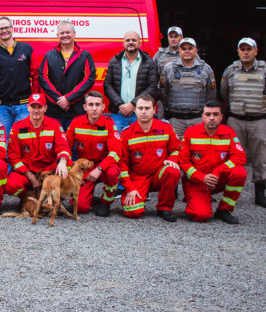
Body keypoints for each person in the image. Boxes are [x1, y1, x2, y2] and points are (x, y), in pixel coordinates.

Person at [220, 37, 266, 208]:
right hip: (235, 121)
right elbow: (224, 93)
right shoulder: (230, 70)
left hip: (258, 120)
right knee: (231, 157)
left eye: (249, 49)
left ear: (256, 51)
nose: (245, 52)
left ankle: (259, 195)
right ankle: (228, 193)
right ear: (238, 51)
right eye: (242, 49)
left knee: (260, 158)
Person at [178, 101, 247, 224]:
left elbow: (240, 156)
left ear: (221, 117)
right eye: (208, 114)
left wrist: (218, 172)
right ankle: (197, 200)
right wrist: (202, 177)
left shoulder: (228, 132)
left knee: (240, 173)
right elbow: (183, 161)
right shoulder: (191, 132)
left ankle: (224, 209)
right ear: (202, 116)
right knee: (202, 216)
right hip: (196, 181)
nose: (211, 118)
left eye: (215, 114)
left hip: (218, 179)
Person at [118, 94, 180, 222]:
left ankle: (165, 208)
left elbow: (176, 149)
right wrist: (129, 188)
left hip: (158, 175)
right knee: (132, 212)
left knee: (172, 171)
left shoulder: (166, 128)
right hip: (137, 177)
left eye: (147, 108)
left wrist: (172, 160)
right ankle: (140, 196)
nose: (144, 111)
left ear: (154, 109)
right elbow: (122, 164)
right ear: (135, 110)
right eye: (140, 108)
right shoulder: (126, 133)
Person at [65, 90, 122, 216]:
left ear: (103, 107)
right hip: (84, 168)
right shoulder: (76, 122)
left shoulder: (109, 123)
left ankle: (105, 202)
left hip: (104, 167)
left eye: (97, 105)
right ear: (85, 107)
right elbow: (65, 146)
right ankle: (90, 200)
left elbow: (116, 152)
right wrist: (69, 165)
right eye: (91, 105)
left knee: (113, 172)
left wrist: (100, 168)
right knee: (80, 207)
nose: (94, 108)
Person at [4, 93, 71, 199]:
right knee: (11, 186)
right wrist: (31, 177)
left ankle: (56, 197)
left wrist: (62, 161)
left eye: (39, 107)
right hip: (27, 171)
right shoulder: (17, 127)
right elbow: (13, 157)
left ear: (45, 108)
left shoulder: (54, 124)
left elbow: (63, 146)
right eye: (33, 107)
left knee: (68, 166)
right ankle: (31, 197)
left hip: (48, 170)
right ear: (28, 107)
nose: (36, 110)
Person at [38, 20, 96, 130]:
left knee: (75, 145)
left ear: (74, 34)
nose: (65, 35)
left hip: (76, 110)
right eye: (62, 33)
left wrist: (69, 99)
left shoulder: (85, 55)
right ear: (57, 36)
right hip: (54, 111)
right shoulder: (49, 55)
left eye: (68, 32)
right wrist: (60, 100)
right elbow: (43, 78)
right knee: (55, 144)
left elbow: (89, 79)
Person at [158, 37, 217, 139]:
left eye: (190, 48)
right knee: (176, 151)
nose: (187, 51)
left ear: (195, 50)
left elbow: (211, 94)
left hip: (198, 119)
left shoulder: (206, 69)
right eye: (184, 48)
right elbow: (162, 92)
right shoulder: (168, 68)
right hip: (176, 120)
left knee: (198, 150)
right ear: (179, 50)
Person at [104, 30, 159, 132]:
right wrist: (120, 105)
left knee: (139, 144)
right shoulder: (114, 61)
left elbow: (152, 86)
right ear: (123, 43)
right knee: (118, 144)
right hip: (118, 113)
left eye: (134, 40)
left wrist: (133, 104)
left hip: (139, 113)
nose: (130, 42)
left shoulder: (148, 62)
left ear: (139, 43)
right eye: (127, 40)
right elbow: (107, 85)